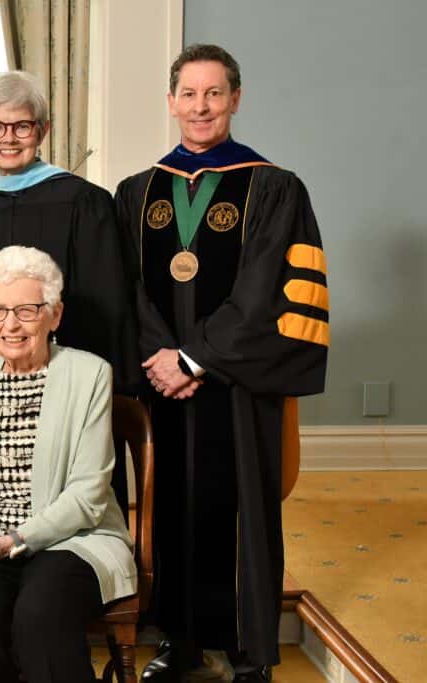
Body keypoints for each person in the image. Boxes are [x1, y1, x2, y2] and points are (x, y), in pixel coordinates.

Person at [114, 44, 329, 683]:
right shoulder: (137, 190)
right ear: (171, 101)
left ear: (236, 99)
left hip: (236, 382)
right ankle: (177, 640)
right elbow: (130, 289)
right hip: (164, 386)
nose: (201, 107)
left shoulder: (272, 185)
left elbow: (266, 291)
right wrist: (161, 359)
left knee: (244, 511)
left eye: (214, 94)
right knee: (167, 508)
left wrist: (192, 358)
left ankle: (249, 650)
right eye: (189, 93)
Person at [0, 70, 139, 513]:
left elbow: (110, 306)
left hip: (67, 391)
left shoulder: (86, 203)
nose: (8, 139)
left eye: (23, 126)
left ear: (43, 131)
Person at [0, 245, 136, 683]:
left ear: (55, 315)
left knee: (40, 616)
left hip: (74, 540)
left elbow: (88, 496)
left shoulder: (90, 374)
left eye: (26, 310)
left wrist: (8, 542)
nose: (10, 325)